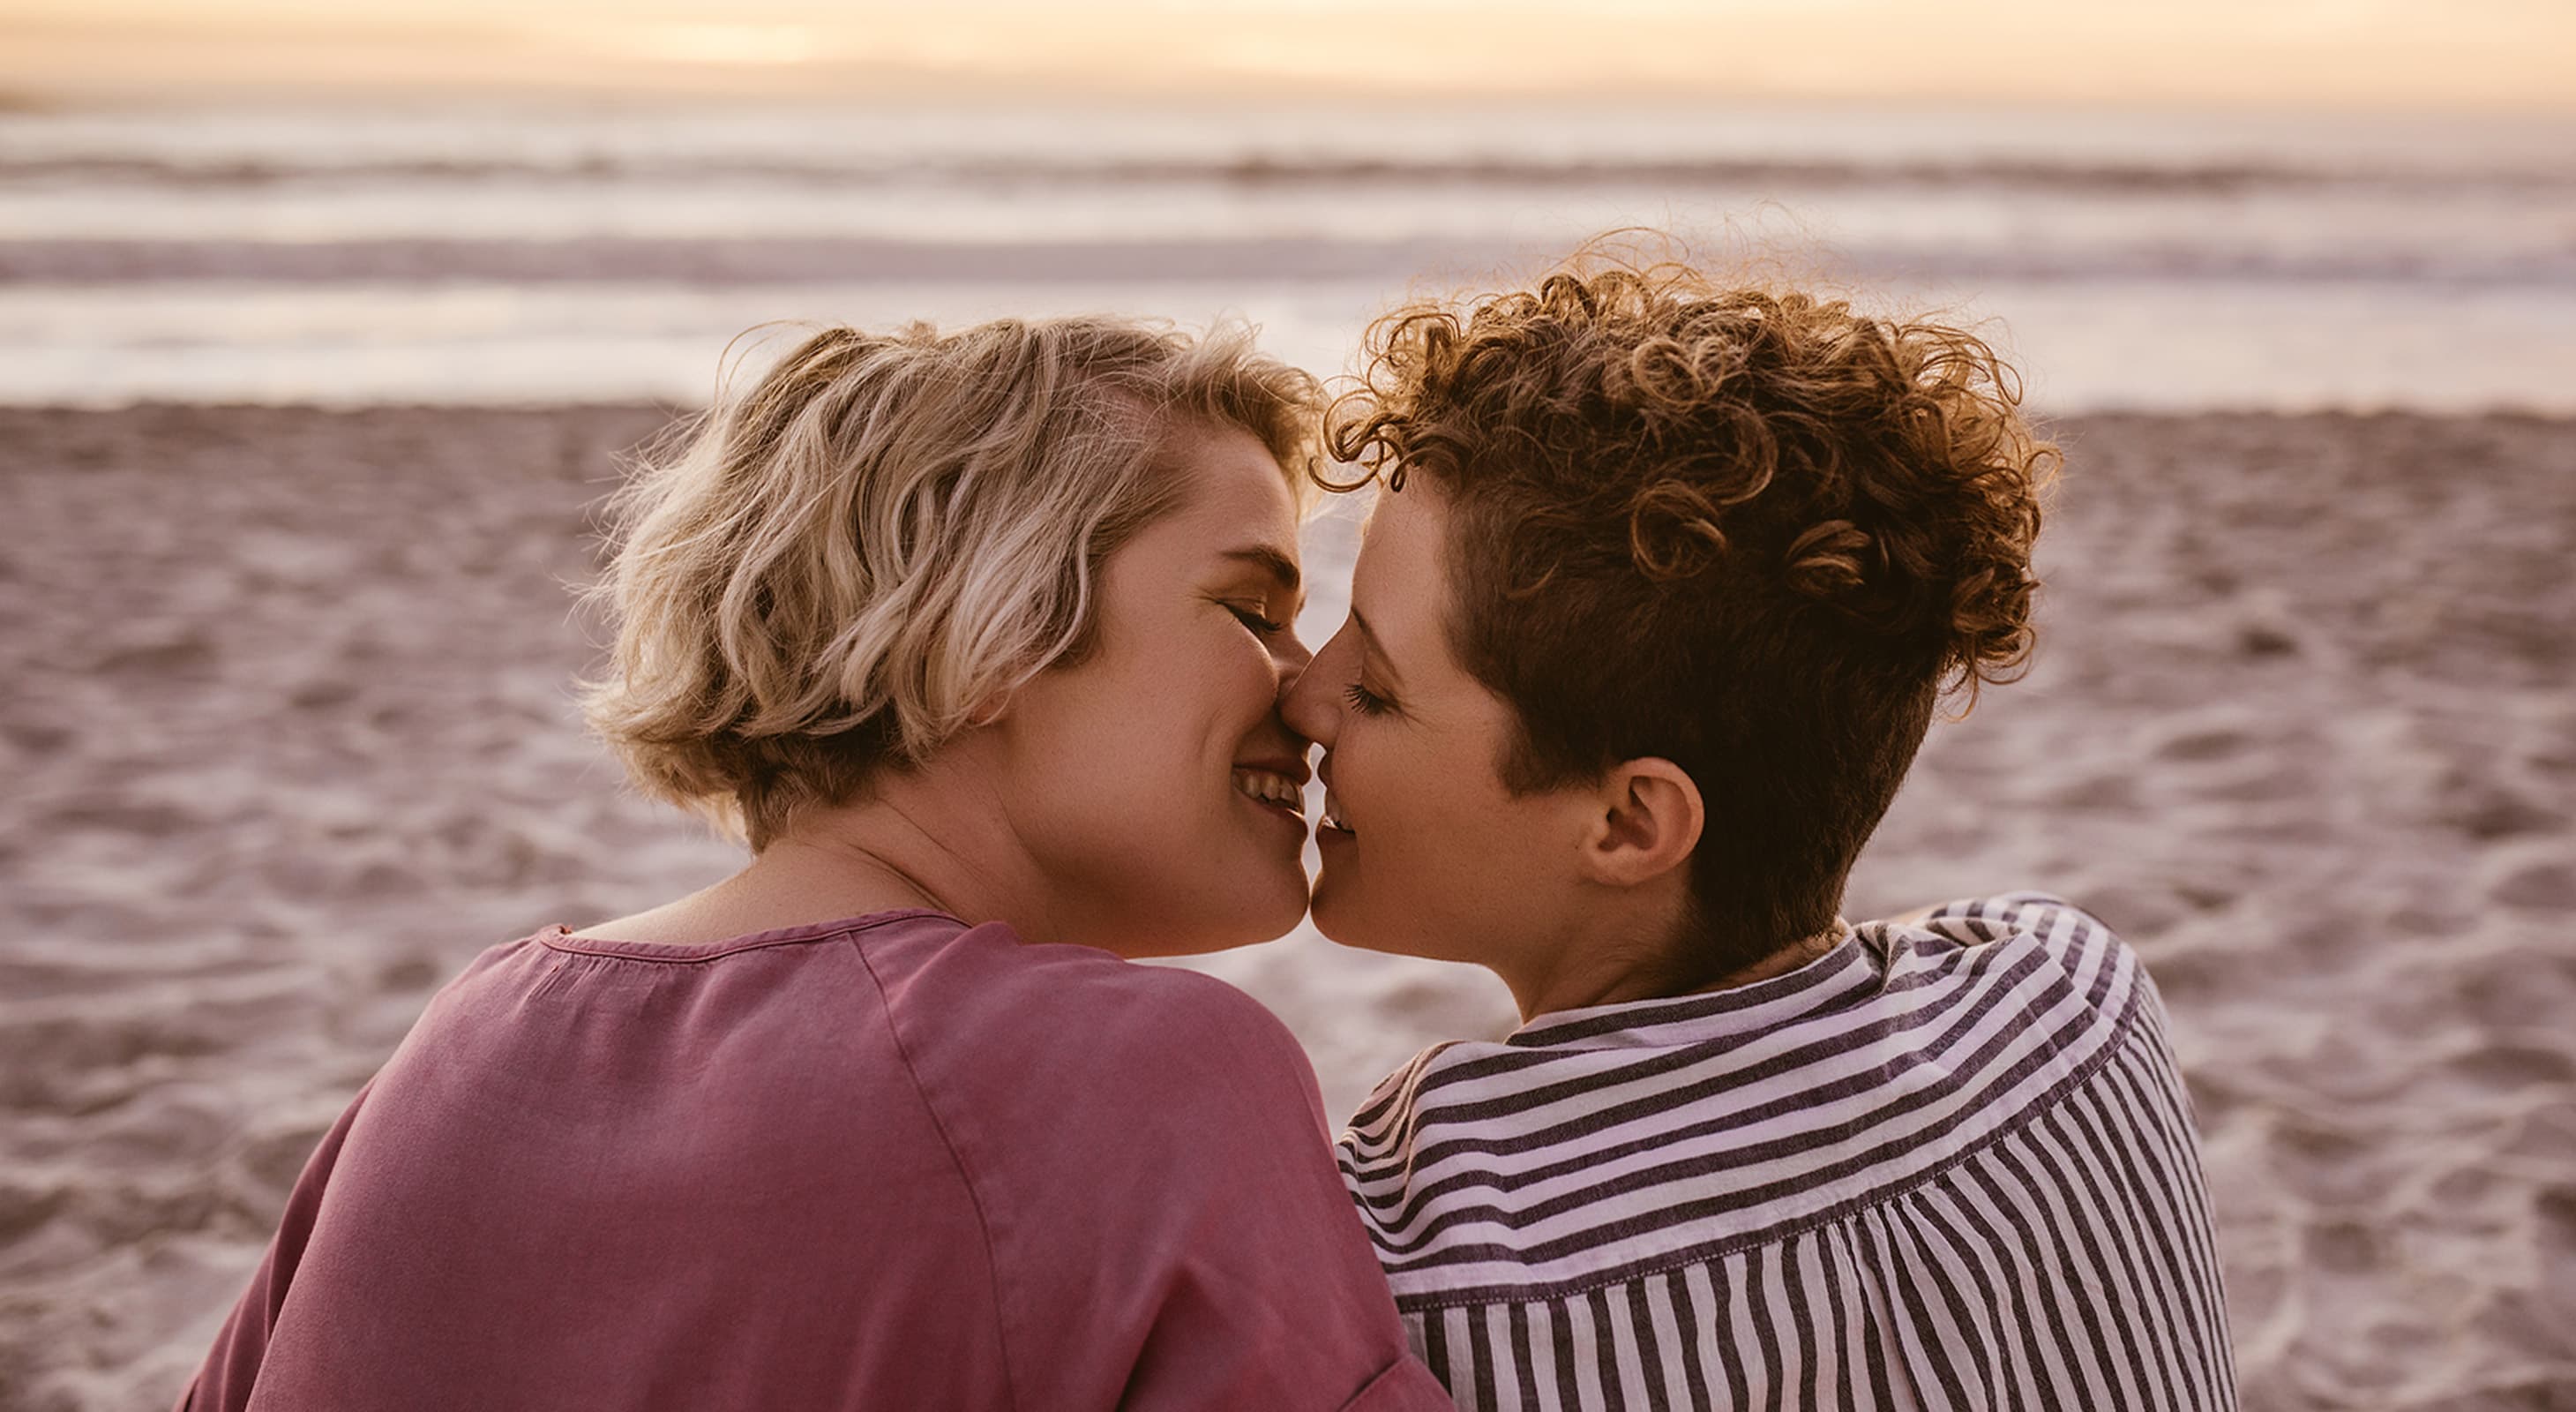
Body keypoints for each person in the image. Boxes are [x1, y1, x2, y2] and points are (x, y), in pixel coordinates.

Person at [178, 316, 1450, 1411]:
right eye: (1250, 610)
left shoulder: (460, 1042)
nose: (1311, 693)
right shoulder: (1151, 1075)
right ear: (996, 629)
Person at [1285, 252, 2237, 1409]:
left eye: (1377, 688)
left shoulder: (1425, 1271)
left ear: (1634, 822)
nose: (1305, 697)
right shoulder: (2077, 1005)